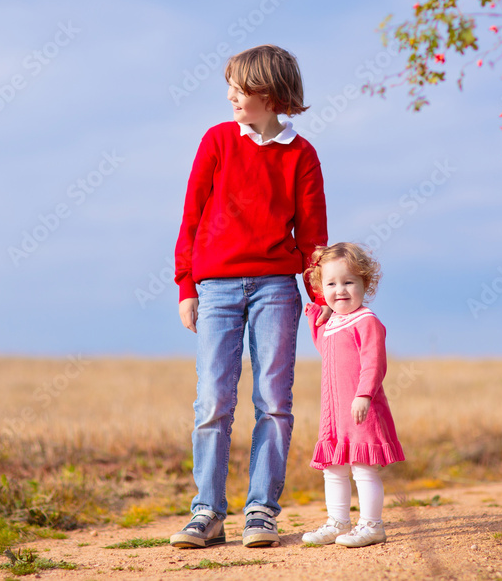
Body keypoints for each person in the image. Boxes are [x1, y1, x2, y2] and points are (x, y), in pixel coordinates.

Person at [170, 44, 329, 549]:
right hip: (215, 287)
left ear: (272, 93)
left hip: (277, 289)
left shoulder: (301, 154)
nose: (232, 96)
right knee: (213, 400)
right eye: (231, 87)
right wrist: (186, 285)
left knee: (274, 402)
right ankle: (207, 513)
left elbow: (312, 235)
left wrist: (321, 298)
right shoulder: (216, 140)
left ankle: (261, 510)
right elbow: (191, 215)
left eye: (242, 88)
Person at [300, 242, 404, 548]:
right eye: (331, 284)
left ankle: (372, 525)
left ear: (364, 284)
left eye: (349, 282)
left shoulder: (366, 320)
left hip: (361, 408)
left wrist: (364, 394)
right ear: (321, 287)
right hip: (334, 414)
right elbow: (325, 348)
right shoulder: (333, 322)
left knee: (362, 468)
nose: (340, 290)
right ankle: (338, 522)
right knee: (333, 469)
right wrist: (315, 317)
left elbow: (374, 361)